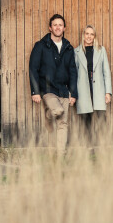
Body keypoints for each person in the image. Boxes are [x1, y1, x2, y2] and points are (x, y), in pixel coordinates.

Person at [29, 14, 78, 152]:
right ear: (50, 28)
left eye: (60, 25)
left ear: (64, 28)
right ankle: (48, 115)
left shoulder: (68, 48)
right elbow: (33, 69)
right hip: (47, 90)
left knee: (63, 123)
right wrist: (35, 91)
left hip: (63, 90)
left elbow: (73, 72)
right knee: (58, 111)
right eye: (55, 25)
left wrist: (73, 93)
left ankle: (60, 155)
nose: (57, 27)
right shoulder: (41, 46)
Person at [74, 25, 112, 145]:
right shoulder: (76, 52)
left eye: (92, 34)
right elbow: (74, 74)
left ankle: (103, 146)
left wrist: (108, 92)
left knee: (101, 119)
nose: (89, 36)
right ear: (83, 35)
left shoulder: (101, 50)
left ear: (94, 36)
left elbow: (106, 72)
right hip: (83, 89)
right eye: (87, 34)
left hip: (98, 89)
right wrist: (73, 93)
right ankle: (89, 148)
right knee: (86, 121)